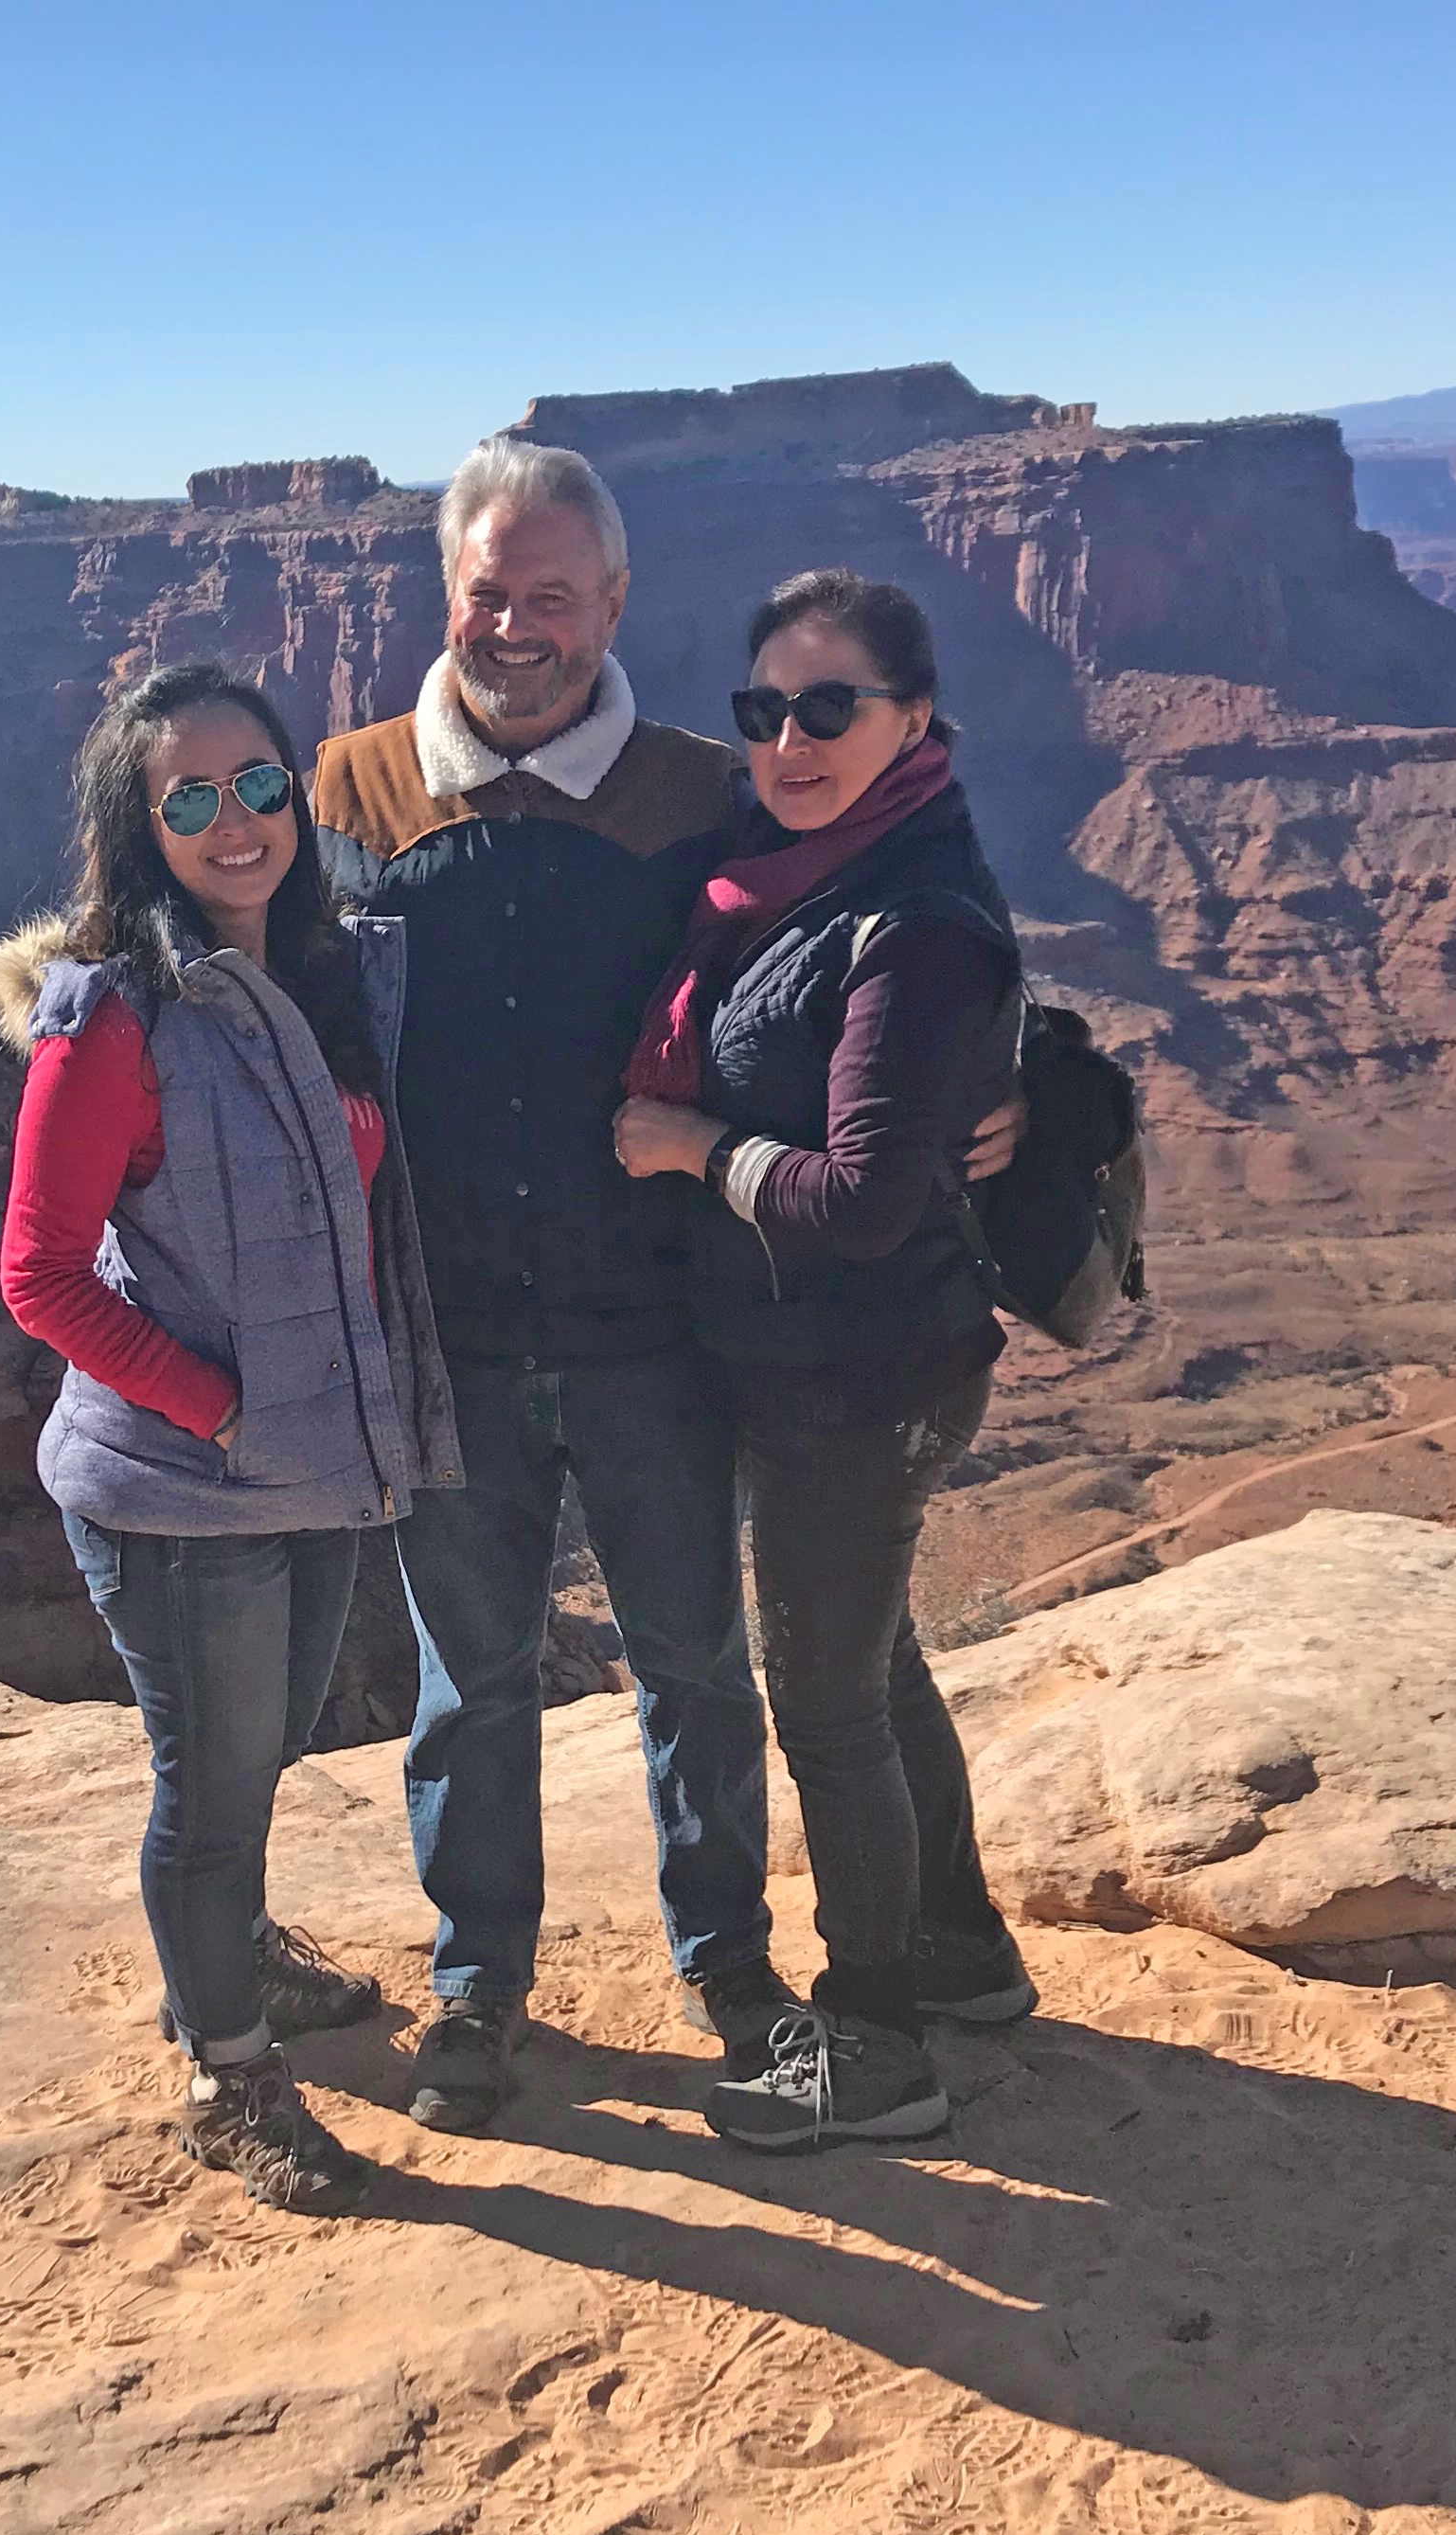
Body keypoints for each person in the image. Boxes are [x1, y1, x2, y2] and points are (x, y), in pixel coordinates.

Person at [311, 437, 792, 2132]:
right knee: (473, 1678)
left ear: (616, 601)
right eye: (488, 591)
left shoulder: (693, 795)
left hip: (651, 1326)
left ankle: (732, 1969)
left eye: (555, 595)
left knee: (691, 1662)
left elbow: (811, 997)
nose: (519, 626)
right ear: (447, 590)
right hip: (442, 1331)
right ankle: (477, 1987)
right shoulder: (349, 788)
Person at [0, 662, 462, 2214]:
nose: (235, 821)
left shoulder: (324, 976)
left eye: (258, 784)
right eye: (190, 799)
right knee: (209, 1779)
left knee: (263, 1753)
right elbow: (36, 1275)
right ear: (143, 824)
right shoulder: (109, 1016)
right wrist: (226, 1409)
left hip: (313, 1464)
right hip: (182, 1486)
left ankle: (233, 1965)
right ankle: (227, 2078)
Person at [614, 569, 1040, 2152]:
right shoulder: (797, 868)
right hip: (848, 1364)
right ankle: (964, 1955)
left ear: (911, 719)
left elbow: (858, 1201)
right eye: (764, 709)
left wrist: (689, 1147)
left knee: (827, 1704)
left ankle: (874, 2044)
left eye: (828, 707)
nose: (787, 738)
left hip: (855, 1375)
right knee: (880, 1661)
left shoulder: (905, 914)